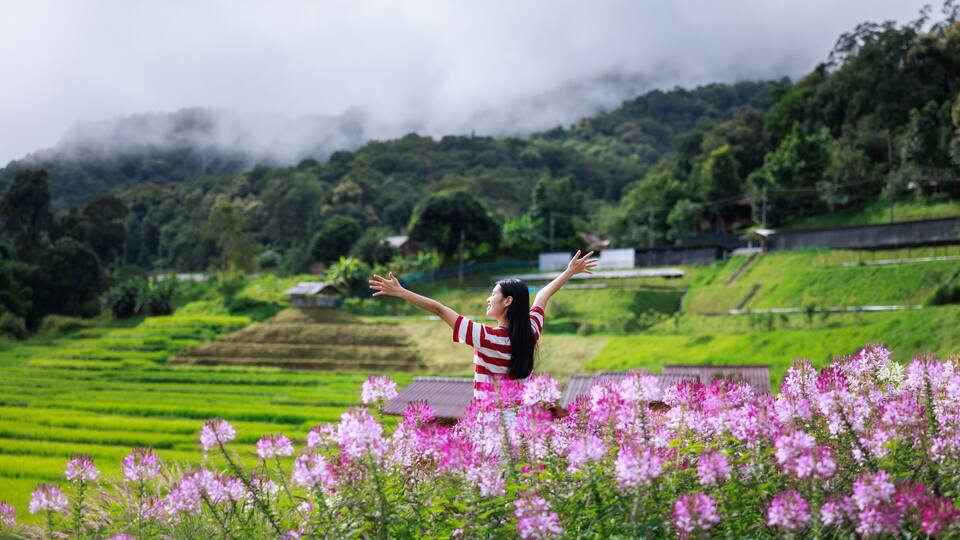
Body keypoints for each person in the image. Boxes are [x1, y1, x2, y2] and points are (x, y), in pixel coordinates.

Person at [368, 250, 598, 397]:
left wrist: (400, 292)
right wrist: (569, 272)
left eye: (493, 294)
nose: (488, 299)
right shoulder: (531, 330)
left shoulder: (486, 337)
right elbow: (542, 296)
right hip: (521, 420)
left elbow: (439, 309)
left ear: (507, 301)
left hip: (491, 420)